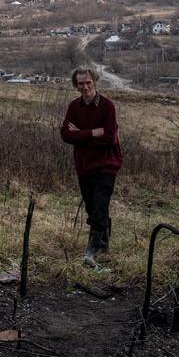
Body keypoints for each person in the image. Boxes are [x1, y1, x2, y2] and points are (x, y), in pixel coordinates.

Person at [60, 67, 122, 267]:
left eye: (88, 82)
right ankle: (104, 245)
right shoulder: (74, 107)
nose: (85, 87)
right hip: (85, 166)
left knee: (99, 206)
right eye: (81, 84)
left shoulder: (107, 107)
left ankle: (91, 252)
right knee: (92, 207)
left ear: (95, 81)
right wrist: (91, 133)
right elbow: (66, 135)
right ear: (76, 86)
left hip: (107, 164)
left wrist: (81, 135)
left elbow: (109, 138)